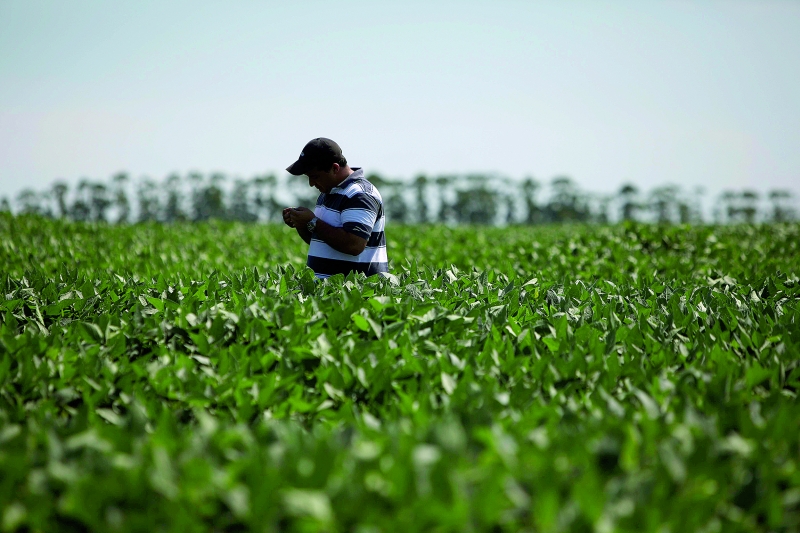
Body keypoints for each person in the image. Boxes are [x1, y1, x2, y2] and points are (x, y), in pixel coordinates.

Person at [282, 138, 388, 279]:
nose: (311, 183)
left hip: (355, 295)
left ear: (335, 168)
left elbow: (354, 245)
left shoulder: (360, 194)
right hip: (328, 295)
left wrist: (313, 221)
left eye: (314, 176)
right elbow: (321, 240)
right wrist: (301, 224)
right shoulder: (327, 193)